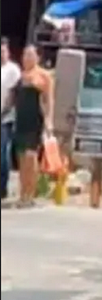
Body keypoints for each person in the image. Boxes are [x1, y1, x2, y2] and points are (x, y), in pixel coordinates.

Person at [12, 45, 54, 207]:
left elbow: (48, 99)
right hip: (21, 119)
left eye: (30, 55)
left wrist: (49, 121)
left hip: (35, 119)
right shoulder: (21, 76)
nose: (26, 58)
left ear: (38, 57)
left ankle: (31, 194)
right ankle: (22, 194)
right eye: (25, 55)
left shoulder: (44, 75)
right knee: (21, 158)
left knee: (31, 156)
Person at [1, 38, 22, 200]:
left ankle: (2, 188)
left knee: (3, 153)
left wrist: (4, 112)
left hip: (5, 118)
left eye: (3, 51)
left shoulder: (12, 70)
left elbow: (13, 95)